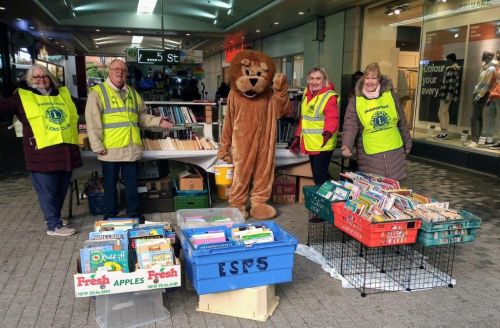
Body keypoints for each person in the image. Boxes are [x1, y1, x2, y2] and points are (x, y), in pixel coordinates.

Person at [0, 64, 84, 236]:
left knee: (61, 188)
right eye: (36, 77)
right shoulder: (22, 98)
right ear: (29, 80)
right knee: (47, 190)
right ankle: (54, 226)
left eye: (44, 76)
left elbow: (83, 106)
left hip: (65, 152)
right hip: (40, 154)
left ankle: (54, 217)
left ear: (51, 78)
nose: (41, 80)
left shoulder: (64, 94)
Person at [85, 59, 173, 222]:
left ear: (126, 73)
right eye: (116, 69)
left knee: (132, 184)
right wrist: (97, 145)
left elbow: (142, 116)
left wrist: (158, 121)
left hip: (131, 147)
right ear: (109, 72)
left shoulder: (132, 93)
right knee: (110, 185)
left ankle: (134, 213)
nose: (120, 72)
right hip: (110, 148)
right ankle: (111, 215)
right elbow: (92, 121)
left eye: (123, 70)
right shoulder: (98, 92)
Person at [341, 63, 412, 181]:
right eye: (367, 78)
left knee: (395, 188)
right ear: (363, 79)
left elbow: (401, 121)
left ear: (379, 79)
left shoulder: (391, 96)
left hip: (394, 151)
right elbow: (350, 125)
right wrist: (346, 145)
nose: (370, 81)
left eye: (374, 78)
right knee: (375, 189)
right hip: (370, 154)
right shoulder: (355, 100)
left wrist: (407, 142)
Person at [291, 66, 339, 186]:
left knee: (319, 176)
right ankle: (331, 197)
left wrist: (328, 131)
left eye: (318, 78)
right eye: (311, 78)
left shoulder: (329, 96)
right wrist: (298, 137)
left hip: (324, 143)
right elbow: (304, 119)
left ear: (324, 80)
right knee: (318, 174)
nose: (314, 81)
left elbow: (332, 117)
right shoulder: (306, 94)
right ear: (308, 80)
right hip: (312, 143)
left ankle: (328, 200)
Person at [469, 50, 497, 148]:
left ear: (490, 57)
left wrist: (478, 96)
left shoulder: (491, 69)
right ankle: (475, 139)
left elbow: (486, 85)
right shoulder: (483, 67)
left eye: (486, 56)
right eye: (483, 55)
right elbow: (480, 83)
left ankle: (475, 140)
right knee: (477, 116)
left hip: (483, 94)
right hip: (478, 93)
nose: (483, 57)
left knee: (474, 117)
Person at [436, 53, 460, 139]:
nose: (446, 61)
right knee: (445, 112)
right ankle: (445, 131)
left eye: (447, 59)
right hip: (446, 94)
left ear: (450, 60)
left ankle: (443, 132)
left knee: (441, 112)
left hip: (446, 94)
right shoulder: (452, 69)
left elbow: (451, 84)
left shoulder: (452, 69)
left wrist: (448, 96)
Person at [486, 50, 500, 149]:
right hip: (493, 95)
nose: (497, 56)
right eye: (497, 54)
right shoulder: (495, 66)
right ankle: (489, 139)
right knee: (490, 117)